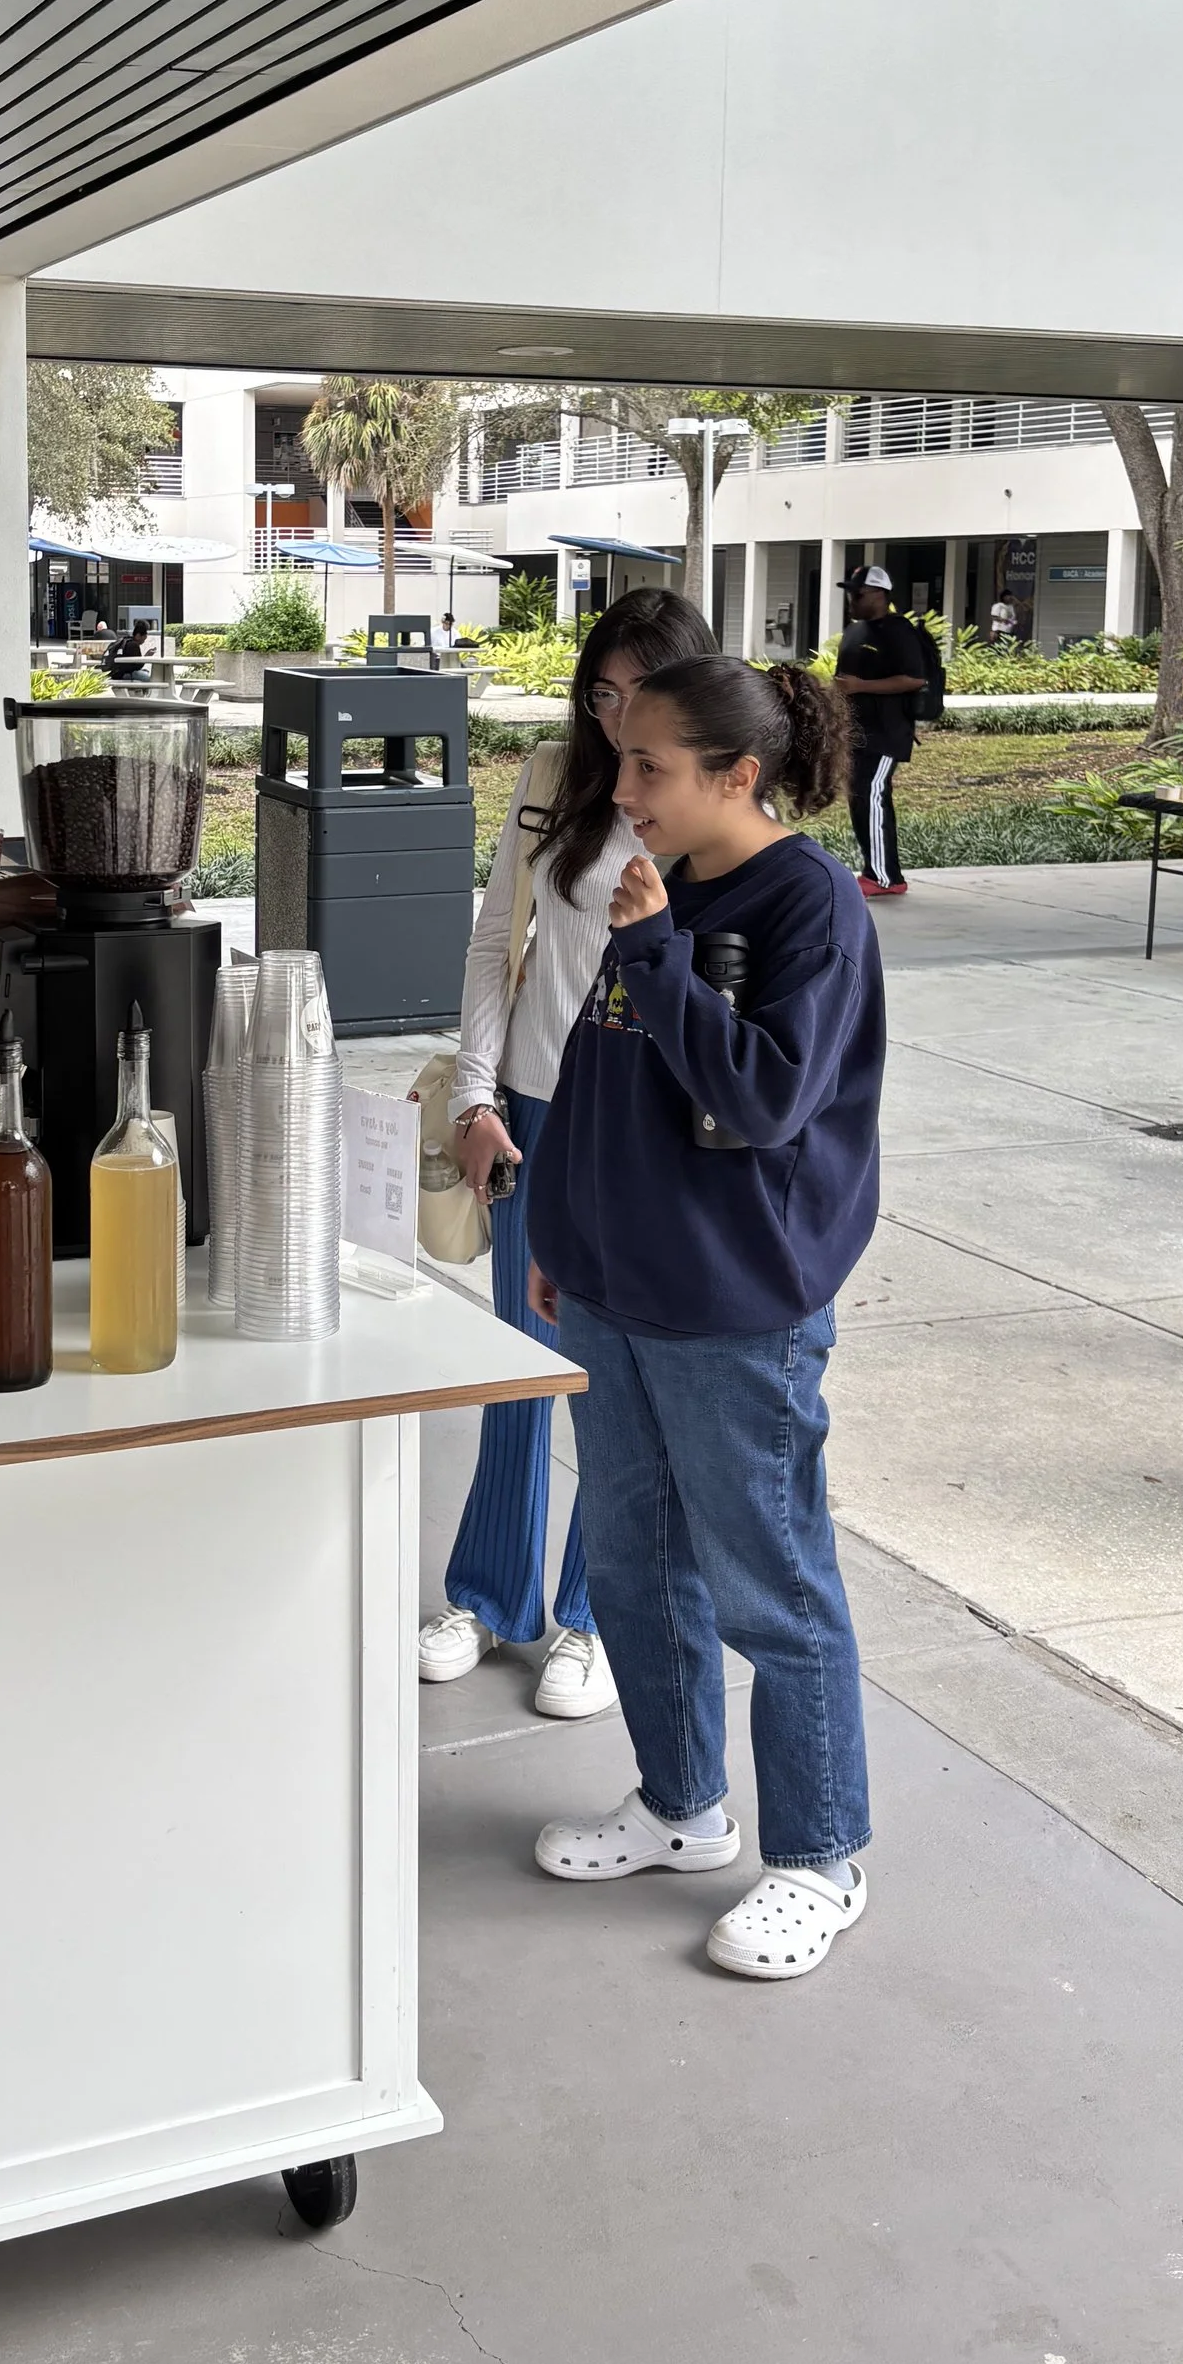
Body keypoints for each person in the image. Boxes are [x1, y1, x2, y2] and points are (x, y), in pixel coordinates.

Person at [525, 655, 883, 1981]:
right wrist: (562, 1234)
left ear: (740, 774)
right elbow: (593, 1072)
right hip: (619, 1291)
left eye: (651, 767)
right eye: (622, 759)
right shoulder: (657, 897)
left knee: (772, 1588)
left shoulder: (808, 907)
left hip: (737, 1307)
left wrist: (656, 949)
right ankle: (682, 1807)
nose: (623, 789)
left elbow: (763, 1099)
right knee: (629, 1561)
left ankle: (819, 1857)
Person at [425, 589, 717, 1716]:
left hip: (636, 1133)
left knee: (609, 1386)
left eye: (638, 698)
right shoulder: (556, 777)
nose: (614, 722)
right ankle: (485, 1595)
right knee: (517, 1365)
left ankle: (588, 1619)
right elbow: (499, 935)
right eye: (601, 695)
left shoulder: (703, 803)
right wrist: (474, 1092)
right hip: (535, 1115)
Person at [834, 566, 930, 897]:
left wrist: (862, 685)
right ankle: (874, 871)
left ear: (879, 595)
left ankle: (885, 876)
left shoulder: (898, 631)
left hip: (887, 731)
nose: (851, 600)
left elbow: (914, 678)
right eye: (849, 594)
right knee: (860, 797)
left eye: (857, 594)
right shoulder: (854, 631)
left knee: (872, 794)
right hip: (856, 730)